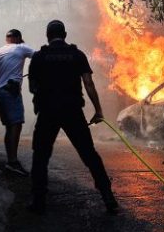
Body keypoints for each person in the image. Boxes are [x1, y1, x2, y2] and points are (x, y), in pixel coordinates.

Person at [27, 20, 119, 215]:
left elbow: (32, 87)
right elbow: (88, 83)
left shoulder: (39, 57)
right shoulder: (77, 55)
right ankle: (108, 197)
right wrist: (98, 110)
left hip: (48, 112)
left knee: (41, 156)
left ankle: (38, 201)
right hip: (72, 111)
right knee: (89, 154)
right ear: (65, 35)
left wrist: (44, 91)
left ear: (47, 36)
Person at [0, 28, 35, 175]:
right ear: (19, 38)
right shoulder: (20, 47)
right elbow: (40, 57)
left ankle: (11, 160)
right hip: (10, 93)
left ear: (7, 39)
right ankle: (12, 162)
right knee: (16, 125)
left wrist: (2, 80)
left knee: (10, 126)